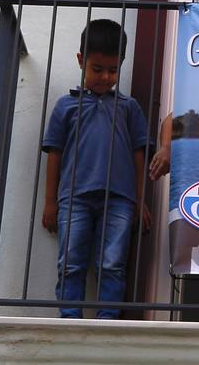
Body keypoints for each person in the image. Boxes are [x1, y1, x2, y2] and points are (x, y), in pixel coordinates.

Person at [42, 19, 151, 319]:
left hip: (119, 199)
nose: (105, 77)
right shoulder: (66, 106)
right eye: (97, 69)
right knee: (70, 262)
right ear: (81, 61)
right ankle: (69, 318)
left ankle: (107, 320)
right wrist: (50, 201)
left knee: (113, 263)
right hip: (74, 197)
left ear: (122, 65)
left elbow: (139, 154)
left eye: (113, 70)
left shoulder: (129, 108)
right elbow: (54, 153)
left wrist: (140, 200)